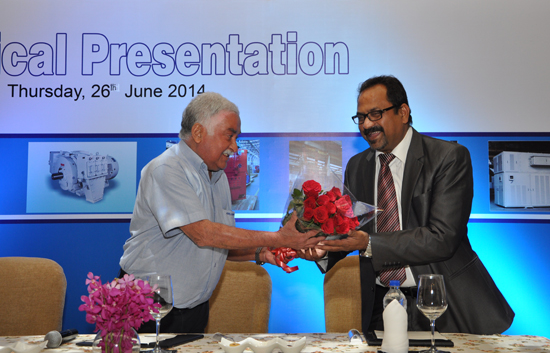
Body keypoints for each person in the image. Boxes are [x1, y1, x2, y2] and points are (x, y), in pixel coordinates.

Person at [298, 75, 514, 335]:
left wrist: (369, 243)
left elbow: (442, 237)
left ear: (403, 112)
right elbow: (351, 230)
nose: (367, 124)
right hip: (380, 306)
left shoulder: (448, 158)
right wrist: (323, 249)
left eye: (375, 114)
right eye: (361, 117)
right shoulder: (357, 166)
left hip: (443, 304)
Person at [119, 92, 323, 333]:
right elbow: (204, 234)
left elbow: (220, 244)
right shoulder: (166, 169)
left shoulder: (218, 177)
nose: (235, 147)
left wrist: (262, 252)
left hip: (194, 311)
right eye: (229, 135)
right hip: (148, 309)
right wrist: (279, 238)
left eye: (237, 138)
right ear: (198, 132)